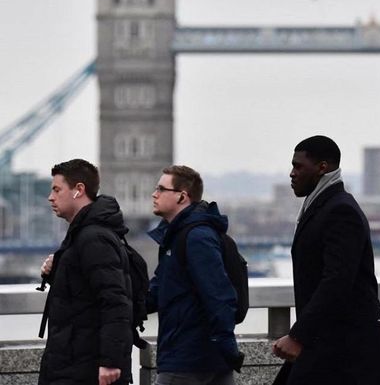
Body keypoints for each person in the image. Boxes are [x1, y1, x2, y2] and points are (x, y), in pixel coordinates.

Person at [272, 135, 380, 385]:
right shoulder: (321, 206)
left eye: (298, 166)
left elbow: (337, 281)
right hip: (329, 346)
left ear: (322, 167)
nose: (291, 174)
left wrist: (298, 336)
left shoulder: (340, 211)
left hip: (348, 353)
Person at [146, 165, 243, 385]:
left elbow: (218, 293)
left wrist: (226, 345)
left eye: (161, 189)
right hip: (195, 357)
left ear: (182, 196)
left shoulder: (196, 237)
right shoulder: (177, 237)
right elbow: (157, 291)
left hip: (190, 361)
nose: (154, 194)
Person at [38, 158, 133, 385]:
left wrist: (110, 362)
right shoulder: (82, 234)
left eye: (57, 189)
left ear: (78, 190)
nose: (50, 197)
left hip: (84, 370)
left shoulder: (93, 237)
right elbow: (83, 292)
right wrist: (56, 271)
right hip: (73, 363)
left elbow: (115, 301)